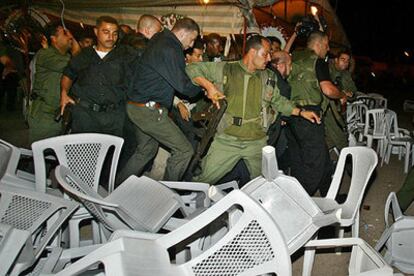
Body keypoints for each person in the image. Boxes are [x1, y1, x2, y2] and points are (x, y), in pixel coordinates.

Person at [186, 35, 320, 184]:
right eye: (265, 54)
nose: (269, 58)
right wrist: (209, 87)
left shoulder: (268, 77)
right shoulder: (226, 69)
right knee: (202, 182)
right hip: (228, 140)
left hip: (257, 142)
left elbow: (278, 101)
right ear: (252, 52)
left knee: (263, 184)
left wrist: (301, 112)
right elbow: (191, 69)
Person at [118, 18, 218, 182]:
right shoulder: (171, 48)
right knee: (184, 151)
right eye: (192, 39)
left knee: (147, 150)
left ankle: (118, 187)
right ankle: (165, 193)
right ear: (183, 33)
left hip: (137, 106)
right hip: (148, 110)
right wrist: (205, 88)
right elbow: (184, 87)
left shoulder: (160, 38)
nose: (192, 45)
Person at [287, 30, 349, 196]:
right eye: (327, 45)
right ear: (319, 44)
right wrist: (342, 95)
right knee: (315, 164)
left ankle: (329, 195)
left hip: (291, 114)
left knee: (304, 161)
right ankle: (299, 204)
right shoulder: (318, 61)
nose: (328, 49)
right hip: (310, 116)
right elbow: (328, 89)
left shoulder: (294, 57)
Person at [60, 16, 138, 137]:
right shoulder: (84, 55)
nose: (111, 37)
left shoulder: (127, 56)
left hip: (114, 116)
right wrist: (64, 93)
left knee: (111, 154)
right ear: (96, 32)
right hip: (86, 116)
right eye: (106, 32)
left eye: (115, 33)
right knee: (84, 152)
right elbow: (68, 74)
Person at [28, 23, 80, 143]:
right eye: (65, 34)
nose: (70, 37)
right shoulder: (46, 54)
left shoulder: (66, 56)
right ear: (53, 38)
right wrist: (76, 48)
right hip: (44, 115)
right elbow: (76, 64)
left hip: (58, 113)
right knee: (41, 152)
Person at [325, 49, 357, 151]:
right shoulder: (327, 70)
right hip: (328, 109)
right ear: (336, 60)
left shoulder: (346, 75)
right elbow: (327, 89)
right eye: (343, 59)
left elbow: (354, 93)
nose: (345, 62)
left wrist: (349, 95)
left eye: (347, 61)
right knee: (340, 138)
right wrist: (341, 93)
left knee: (334, 138)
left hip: (341, 110)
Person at [266, 51, 293, 171]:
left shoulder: (266, 74)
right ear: (281, 65)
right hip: (271, 126)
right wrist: (284, 118)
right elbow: (283, 108)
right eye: (290, 64)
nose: (291, 69)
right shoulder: (282, 84)